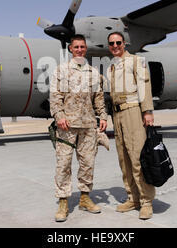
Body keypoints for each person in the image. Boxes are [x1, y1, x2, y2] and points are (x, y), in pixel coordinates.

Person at [49, 34, 107, 222]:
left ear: (85, 49)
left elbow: (98, 97)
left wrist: (103, 116)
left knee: (87, 163)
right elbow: (55, 96)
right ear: (71, 49)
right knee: (63, 164)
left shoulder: (93, 73)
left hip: (89, 125)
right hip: (67, 125)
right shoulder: (61, 71)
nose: (80, 50)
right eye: (76, 47)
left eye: (82, 47)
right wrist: (59, 116)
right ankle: (63, 201)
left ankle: (84, 198)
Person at [106, 31, 156, 220]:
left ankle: (146, 201)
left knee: (137, 157)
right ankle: (132, 197)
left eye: (118, 42)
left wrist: (148, 111)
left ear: (124, 43)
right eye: (112, 43)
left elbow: (144, 85)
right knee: (124, 160)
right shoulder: (111, 66)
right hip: (117, 115)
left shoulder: (136, 61)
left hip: (133, 111)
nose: (115, 46)